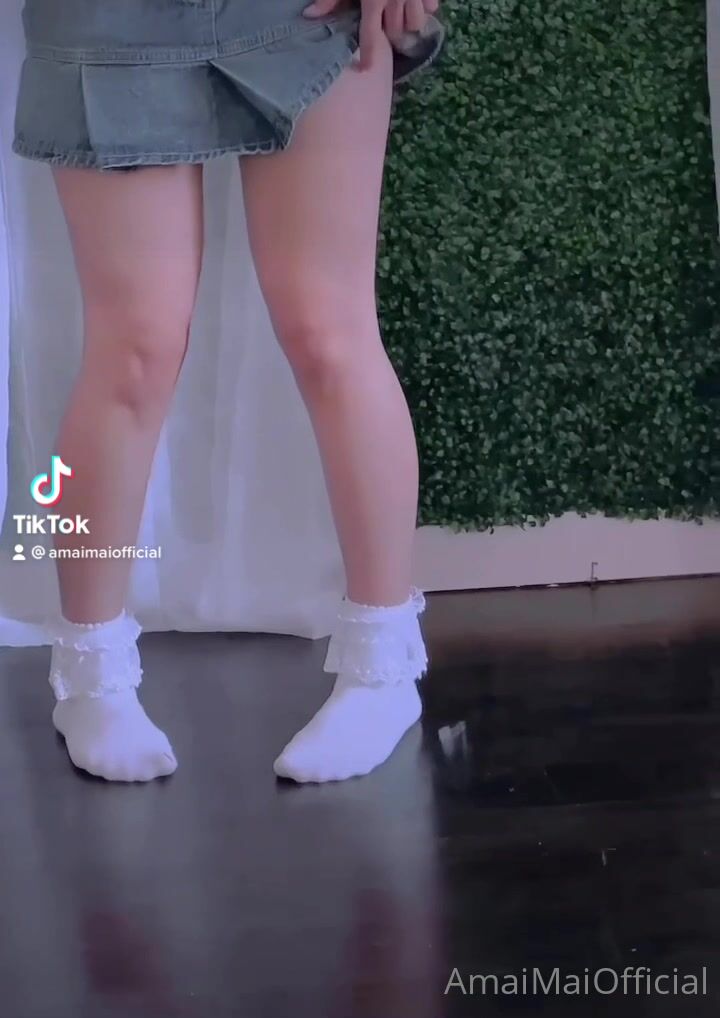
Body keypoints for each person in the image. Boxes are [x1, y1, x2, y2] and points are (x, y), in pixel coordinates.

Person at [12, 0, 445, 783]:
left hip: (307, 14)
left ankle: (383, 669)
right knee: (131, 352)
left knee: (330, 331)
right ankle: (89, 673)